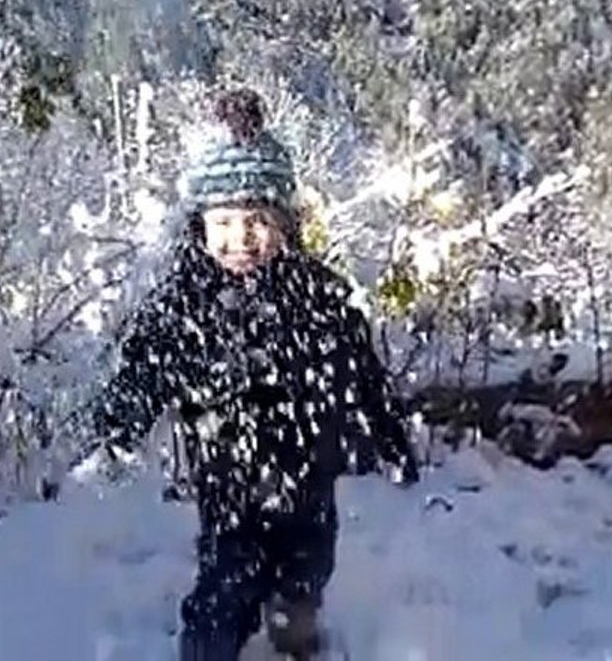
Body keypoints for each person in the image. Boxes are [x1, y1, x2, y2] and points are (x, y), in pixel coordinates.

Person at [84, 89, 419, 660]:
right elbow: (146, 368)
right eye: (225, 220)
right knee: (223, 589)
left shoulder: (322, 298)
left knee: (304, 576)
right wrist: (114, 425)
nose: (240, 236)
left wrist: (389, 438)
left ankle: (296, 635)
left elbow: (363, 374)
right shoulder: (183, 304)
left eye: (258, 219)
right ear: (200, 225)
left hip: (309, 479)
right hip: (228, 487)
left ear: (285, 223)